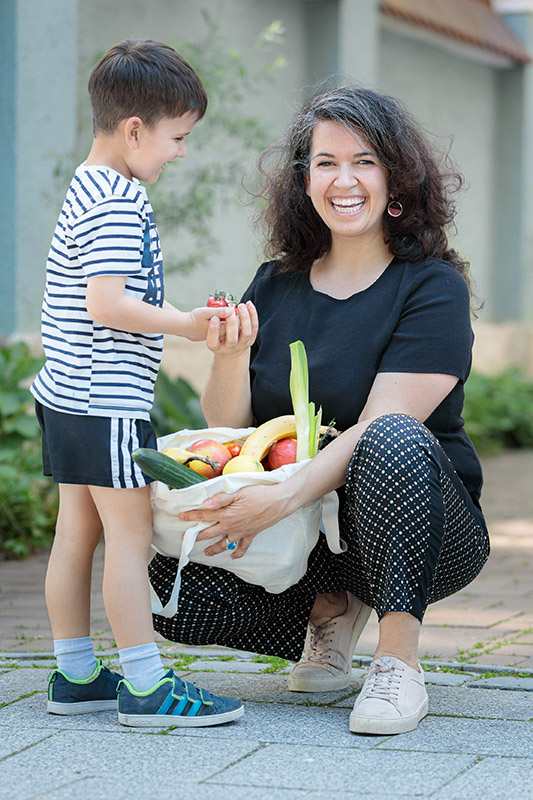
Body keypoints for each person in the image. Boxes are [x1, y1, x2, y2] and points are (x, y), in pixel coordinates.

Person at [149, 86, 490, 736]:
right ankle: (328, 606)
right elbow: (236, 429)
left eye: (364, 160)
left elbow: (378, 428)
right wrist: (231, 355)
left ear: (395, 177)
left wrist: (273, 502)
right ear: (304, 180)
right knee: (172, 596)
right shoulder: (274, 282)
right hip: (306, 529)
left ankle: (397, 661)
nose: (343, 179)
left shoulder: (430, 285)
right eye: (326, 162)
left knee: (388, 435)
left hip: (425, 531)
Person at [30, 39, 244, 728]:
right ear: (134, 130)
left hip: (65, 392)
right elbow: (107, 304)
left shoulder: (85, 184)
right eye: (176, 138)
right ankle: (147, 686)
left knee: (76, 533)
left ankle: (74, 674)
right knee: (127, 536)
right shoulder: (121, 199)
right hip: (106, 399)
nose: (179, 153)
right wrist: (184, 325)